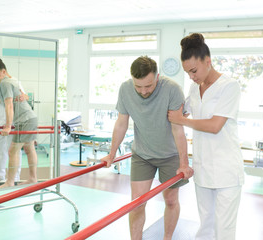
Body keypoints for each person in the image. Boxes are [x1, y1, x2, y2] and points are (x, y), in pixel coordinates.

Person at [101, 56, 194, 240]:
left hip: (169, 154)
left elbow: (178, 128)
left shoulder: (172, 89)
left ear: (157, 77)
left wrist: (184, 163)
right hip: (142, 154)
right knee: (137, 203)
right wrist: (111, 154)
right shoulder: (125, 89)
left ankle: (167, 237)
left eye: (148, 86)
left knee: (171, 200)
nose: (143, 91)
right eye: (138, 86)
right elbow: (121, 123)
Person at [168, 33, 244, 240]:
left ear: (208, 61)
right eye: (188, 73)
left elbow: (214, 125)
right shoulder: (194, 88)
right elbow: (179, 113)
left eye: (194, 70)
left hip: (226, 170)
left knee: (224, 229)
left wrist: (181, 120)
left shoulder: (229, 86)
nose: (191, 76)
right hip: (202, 168)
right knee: (206, 226)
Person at [0, 67, 38, 188]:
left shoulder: (5, 83)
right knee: (29, 149)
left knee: (13, 151)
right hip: (30, 118)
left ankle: (10, 182)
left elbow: (9, 105)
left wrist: (7, 127)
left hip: (24, 120)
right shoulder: (10, 82)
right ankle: (33, 179)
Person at [0, 58, 28, 182]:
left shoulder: (14, 81)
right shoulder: (0, 82)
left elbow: (25, 95)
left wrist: (22, 96)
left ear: (4, 71)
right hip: (2, 120)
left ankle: (16, 176)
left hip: (13, 122)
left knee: (13, 150)